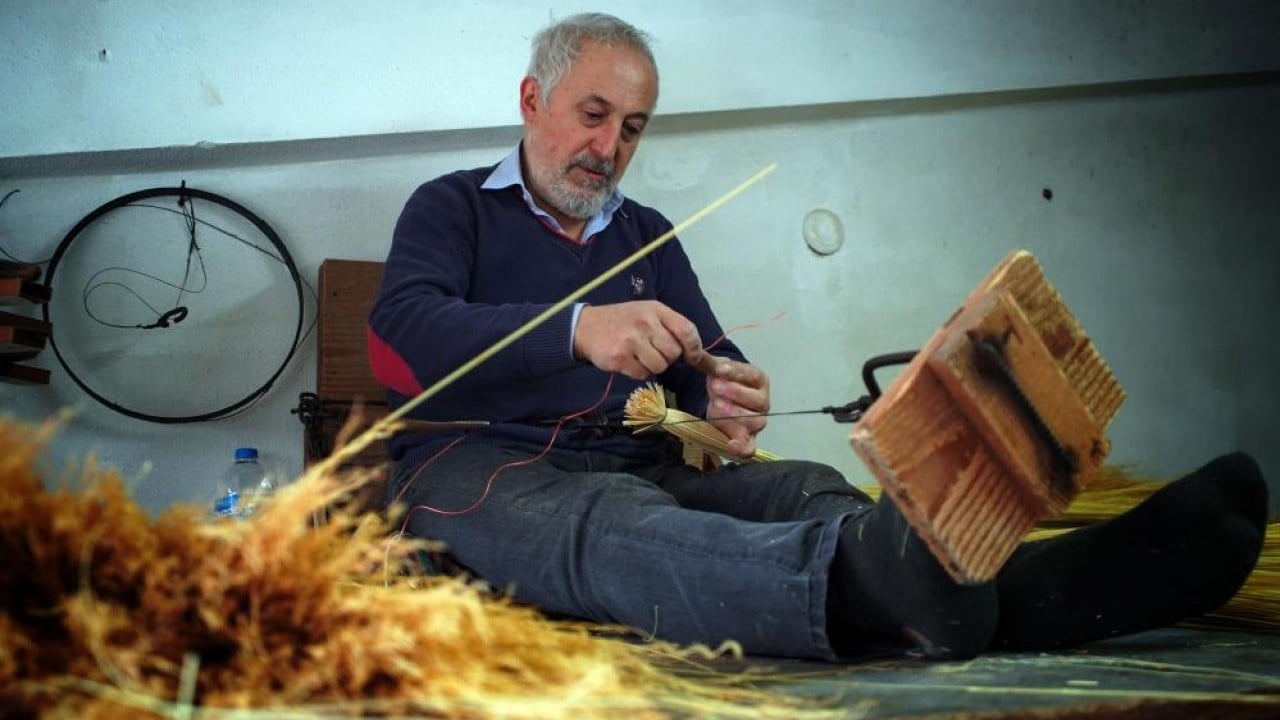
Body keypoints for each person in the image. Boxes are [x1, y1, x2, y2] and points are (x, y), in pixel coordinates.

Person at [368, 12, 1267, 660]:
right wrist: (575, 330)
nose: (609, 147)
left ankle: (971, 583)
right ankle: (974, 592)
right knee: (612, 526)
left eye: (633, 128)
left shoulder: (647, 234)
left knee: (797, 484)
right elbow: (400, 334)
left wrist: (727, 392)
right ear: (533, 99)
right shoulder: (453, 207)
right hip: (475, 464)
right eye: (593, 114)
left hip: (637, 453)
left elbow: (706, 357)